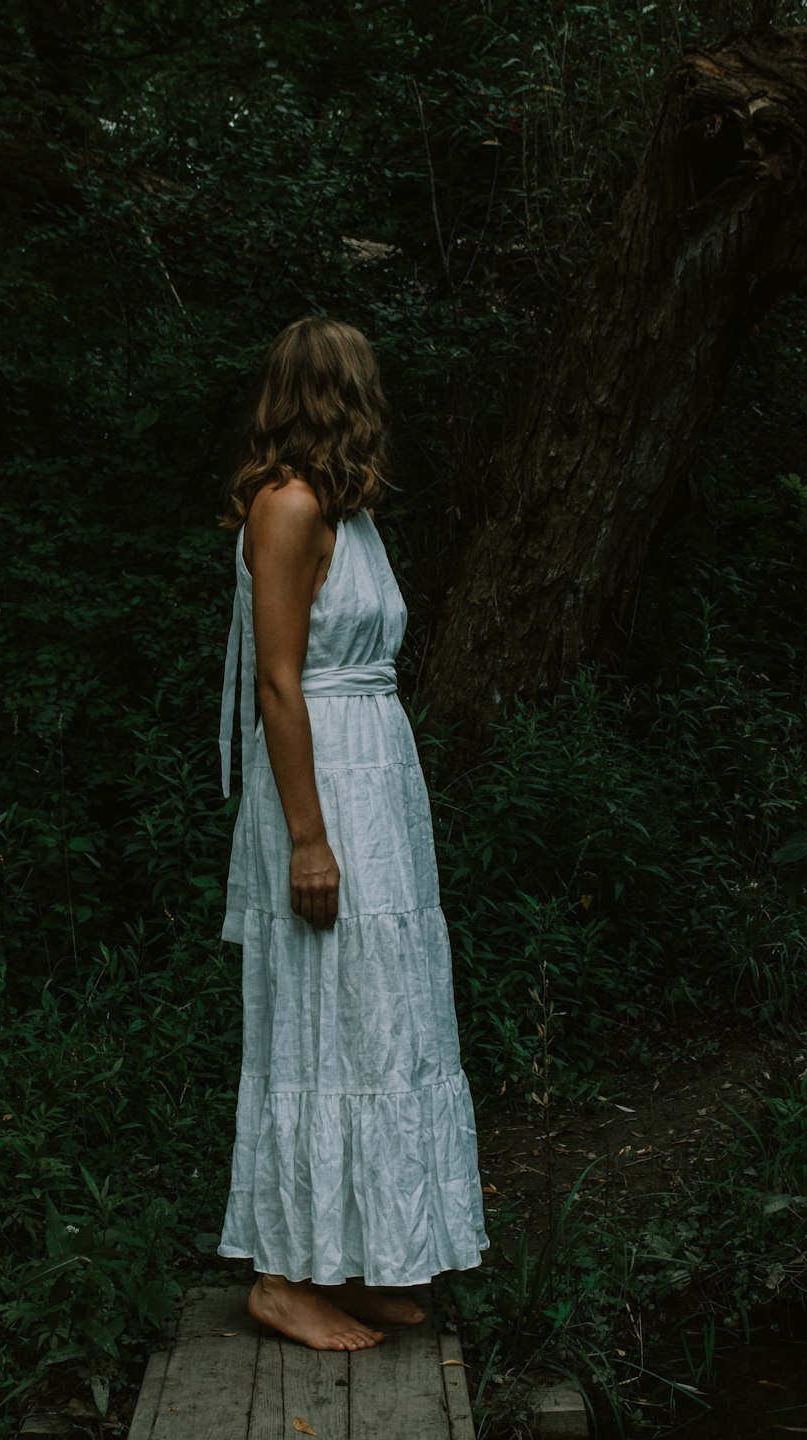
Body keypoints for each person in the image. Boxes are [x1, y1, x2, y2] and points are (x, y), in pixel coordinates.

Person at [216, 316, 489, 1353]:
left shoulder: (348, 511)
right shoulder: (286, 507)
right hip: (320, 784)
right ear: (336, 391)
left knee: (374, 1017)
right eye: (364, 385)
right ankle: (281, 1279)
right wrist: (306, 840)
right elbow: (280, 684)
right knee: (312, 1021)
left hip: (378, 789)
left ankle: (354, 1258)